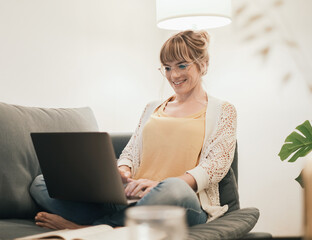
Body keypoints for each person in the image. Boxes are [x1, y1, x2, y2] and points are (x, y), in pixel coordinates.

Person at [29, 30, 237, 230]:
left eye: (182, 66)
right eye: (166, 67)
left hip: (177, 202)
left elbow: (213, 168)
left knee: (173, 188)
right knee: (41, 183)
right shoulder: (152, 107)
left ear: (203, 64)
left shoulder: (223, 110)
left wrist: (157, 185)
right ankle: (113, 223)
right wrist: (121, 174)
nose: (173, 75)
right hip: (131, 199)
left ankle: (90, 229)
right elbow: (129, 152)